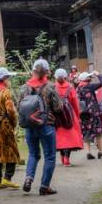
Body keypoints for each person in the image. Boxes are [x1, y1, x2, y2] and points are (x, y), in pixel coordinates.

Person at [19, 59, 63, 196]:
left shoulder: (24, 87)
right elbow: (58, 107)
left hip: (29, 127)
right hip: (46, 126)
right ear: (46, 72)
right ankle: (44, 186)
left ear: (33, 71)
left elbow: (19, 107)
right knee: (49, 156)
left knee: (33, 154)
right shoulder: (50, 87)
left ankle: (29, 177)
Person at [53, 68, 84, 167]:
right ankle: (67, 158)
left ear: (56, 77)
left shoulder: (53, 87)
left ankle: (62, 156)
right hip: (69, 114)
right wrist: (77, 116)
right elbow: (75, 102)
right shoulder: (70, 87)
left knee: (60, 138)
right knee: (70, 137)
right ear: (66, 77)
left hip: (57, 115)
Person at [77, 71, 102, 160]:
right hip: (94, 114)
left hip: (84, 115)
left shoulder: (78, 88)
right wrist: (98, 74)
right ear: (86, 79)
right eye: (89, 77)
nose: (90, 78)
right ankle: (100, 152)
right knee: (99, 132)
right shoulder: (89, 87)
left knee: (86, 132)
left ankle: (88, 152)